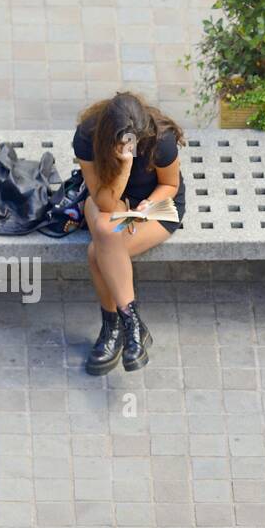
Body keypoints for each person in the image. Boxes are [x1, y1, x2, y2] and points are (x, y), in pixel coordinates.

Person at [74, 91, 186, 375]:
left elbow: (170, 186)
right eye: (125, 143)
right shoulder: (87, 135)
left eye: (136, 141)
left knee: (98, 250)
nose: (133, 148)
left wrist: (145, 208)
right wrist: (123, 166)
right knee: (104, 225)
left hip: (154, 207)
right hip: (107, 198)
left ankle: (112, 329)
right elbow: (105, 202)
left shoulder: (160, 138)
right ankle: (132, 325)